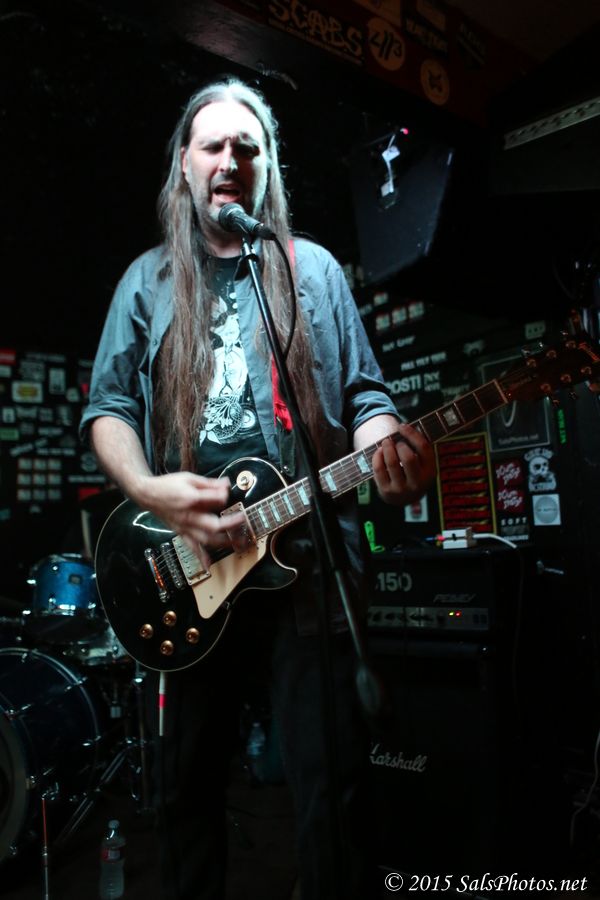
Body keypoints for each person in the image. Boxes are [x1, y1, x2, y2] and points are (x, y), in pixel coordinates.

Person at [81, 77, 435, 900]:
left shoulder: (313, 271)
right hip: (189, 573)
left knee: (334, 794)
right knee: (184, 795)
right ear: (184, 165)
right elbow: (107, 409)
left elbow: (366, 398)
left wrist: (386, 448)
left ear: (269, 166)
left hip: (307, 573)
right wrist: (153, 491)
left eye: (249, 147)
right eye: (213, 145)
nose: (231, 160)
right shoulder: (147, 282)